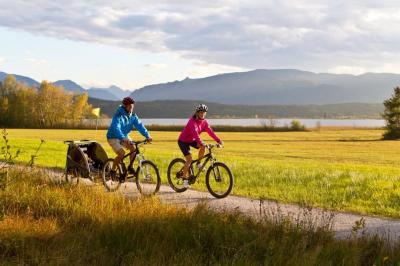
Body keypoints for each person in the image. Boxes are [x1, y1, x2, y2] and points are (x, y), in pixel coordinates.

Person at [106, 96, 152, 181]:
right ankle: (112, 171)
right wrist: (123, 138)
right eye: (130, 107)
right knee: (121, 153)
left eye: (132, 107)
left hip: (124, 135)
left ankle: (130, 167)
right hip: (113, 137)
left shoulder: (133, 116)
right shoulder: (118, 115)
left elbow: (140, 126)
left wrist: (147, 136)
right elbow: (116, 127)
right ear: (125, 106)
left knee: (133, 148)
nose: (131, 109)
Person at [178, 104, 223, 188]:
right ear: (197, 113)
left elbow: (210, 132)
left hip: (192, 140)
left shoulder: (204, 122)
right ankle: (184, 180)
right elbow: (196, 135)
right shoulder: (192, 121)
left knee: (203, 147)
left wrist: (218, 140)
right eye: (201, 112)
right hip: (183, 141)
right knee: (189, 159)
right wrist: (202, 142)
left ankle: (198, 163)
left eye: (204, 112)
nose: (202, 114)